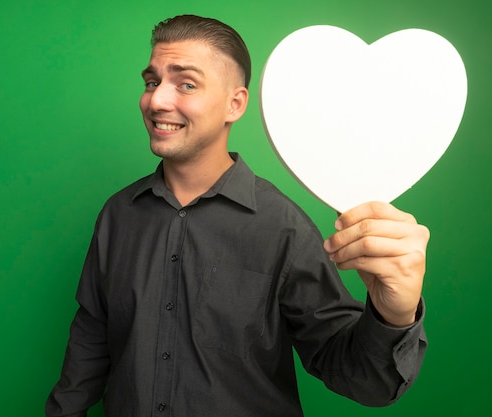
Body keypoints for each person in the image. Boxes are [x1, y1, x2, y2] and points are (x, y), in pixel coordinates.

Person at [45, 14, 429, 417]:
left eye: (186, 84)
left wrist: (393, 315)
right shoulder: (118, 215)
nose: (156, 100)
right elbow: (89, 343)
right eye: (152, 81)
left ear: (235, 103)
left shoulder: (283, 226)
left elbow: (359, 376)